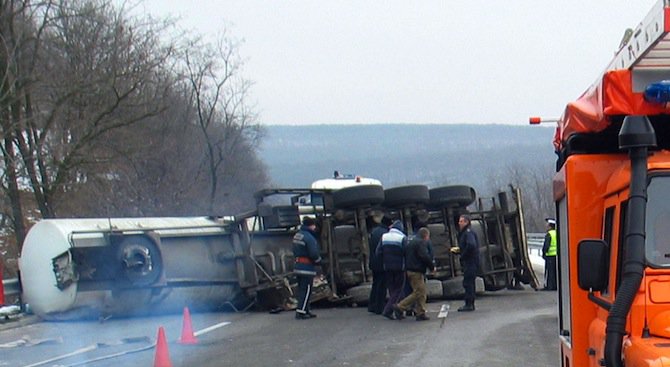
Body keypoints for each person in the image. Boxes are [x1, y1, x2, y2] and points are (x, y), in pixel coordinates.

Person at [393, 227, 435, 321]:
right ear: (426, 235)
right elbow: (424, 256)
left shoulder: (411, 242)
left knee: (421, 292)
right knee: (419, 292)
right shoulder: (420, 243)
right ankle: (400, 306)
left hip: (410, 269)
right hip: (416, 271)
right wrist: (432, 267)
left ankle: (421, 312)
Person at [376, 220, 407, 320]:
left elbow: (378, 252)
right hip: (399, 267)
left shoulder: (384, 237)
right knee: (399, 289)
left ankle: (398, 312)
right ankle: (388, 310)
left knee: (392, 289)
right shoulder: (402, 238)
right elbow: (406, 252)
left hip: (387, 267)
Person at [292, 216, 322, 319]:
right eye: (314, 225)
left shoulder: (298, 235)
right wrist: (319, 261)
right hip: (307, 268)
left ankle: (306, 310)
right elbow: (313, 254)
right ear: (311, 225)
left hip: (298, 265)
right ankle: (301, 311)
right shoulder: (309, 237)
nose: (315, 227)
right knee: (307, 290)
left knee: (302, 289)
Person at [450, 214, 479, 312]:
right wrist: (459, 250)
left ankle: (469, 304)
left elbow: (471, 245)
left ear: (466, 222)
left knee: (468, 283)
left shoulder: (468, 232)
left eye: (461, 221)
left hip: (470, 261)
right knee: (468, 282)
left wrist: (463, 255)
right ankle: (469, 303)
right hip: (470, 261)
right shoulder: (465, 233)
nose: (459, 223)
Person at [368, 216, 392, 314]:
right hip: (382, 263)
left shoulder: (375, 231)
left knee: (376, 284)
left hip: (374, 262)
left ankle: (372, 305)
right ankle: (379, 307)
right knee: (382, 286)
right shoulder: (385, 234)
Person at [542, 218, 558, 291]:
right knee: (555, 271)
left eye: (547, 225)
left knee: (549, 272)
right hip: (556, 256)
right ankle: (555, 285)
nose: (546, 226)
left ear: (550, 226)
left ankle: (549, 286)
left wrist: (544, 253)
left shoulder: (549, 234)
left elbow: (546, 245)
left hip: (550, 255)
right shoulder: (557, 233)